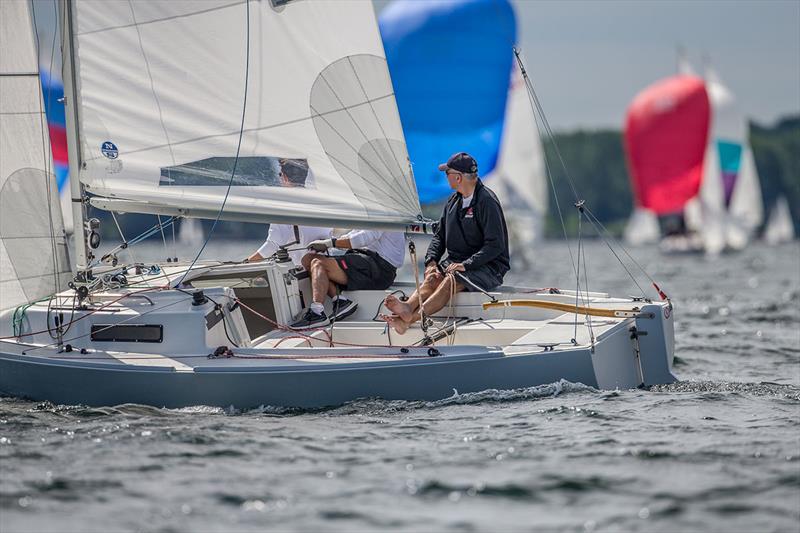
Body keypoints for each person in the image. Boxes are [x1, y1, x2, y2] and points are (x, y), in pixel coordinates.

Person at [382, 152, 509, 334]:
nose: (445, 177)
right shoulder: (452, 201)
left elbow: (495, 246)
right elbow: (439, 236)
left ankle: (411, 319)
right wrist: (431, 261)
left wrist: (466, 265)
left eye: (447, 173)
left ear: (457, 177)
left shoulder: (487, 201)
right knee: (434, 277)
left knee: (450, 280)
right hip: (457, 264)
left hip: (489, 268)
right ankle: (408, 307)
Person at [289, 230, 405, 328]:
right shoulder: (373, 212)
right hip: (367, 262)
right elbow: (355, 234)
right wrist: (326, 245)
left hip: (380, 270)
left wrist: (330, 243)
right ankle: (340, 301)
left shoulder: (383, 211)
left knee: (318, 263)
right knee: (308, 259)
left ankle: (317, 312)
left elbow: (362, 238)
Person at [245, 224, 333, 266]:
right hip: (326, 268)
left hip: (303, 273)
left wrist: (245, 264)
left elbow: (271, 246)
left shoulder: (282, 211)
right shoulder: (321, 204)